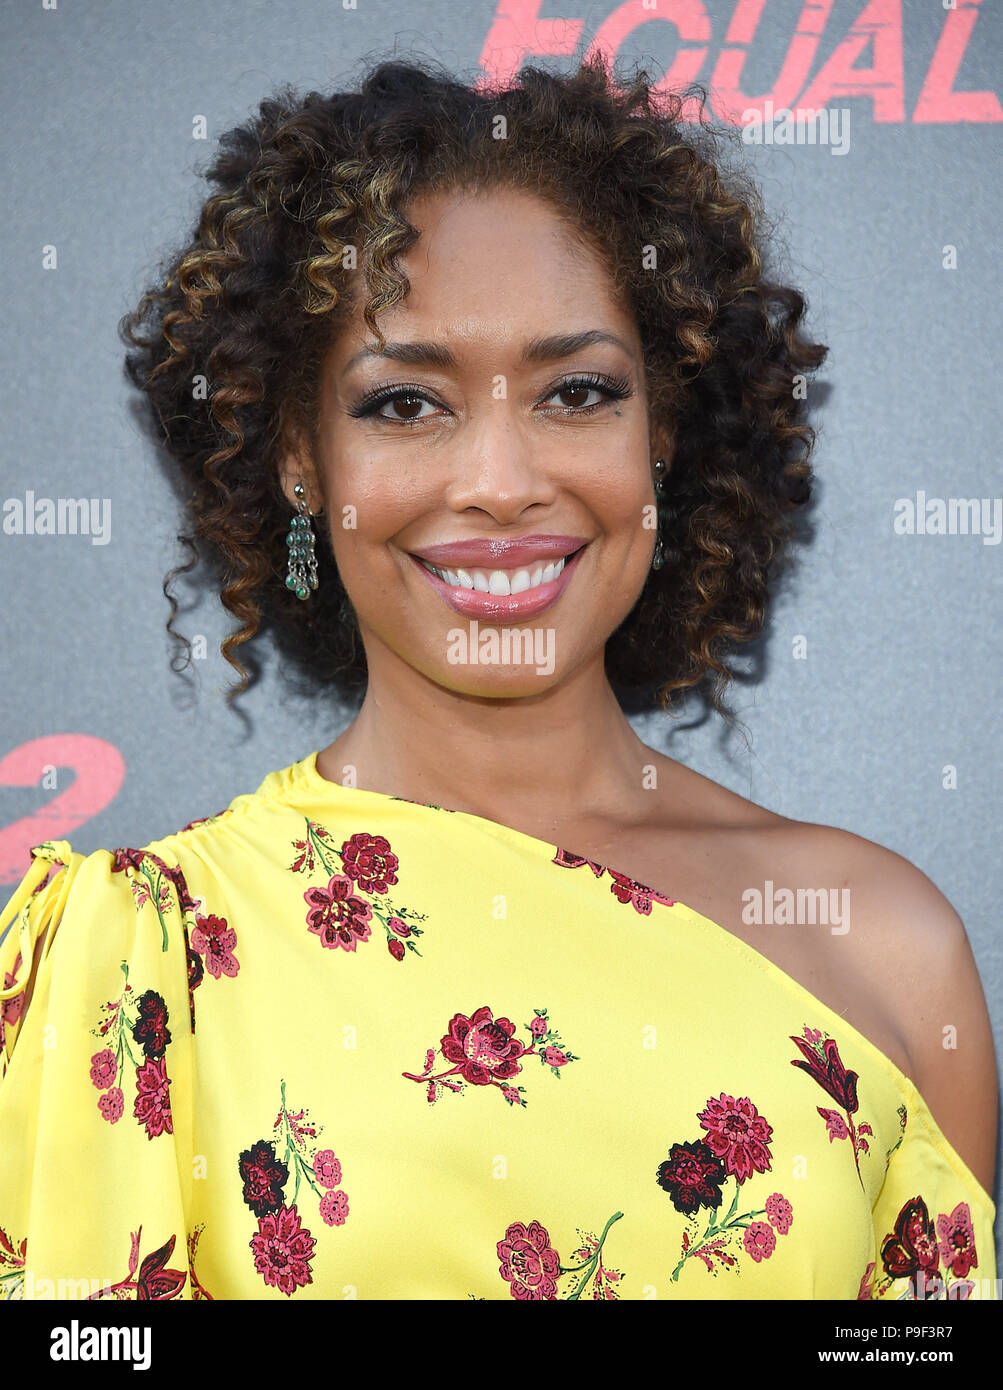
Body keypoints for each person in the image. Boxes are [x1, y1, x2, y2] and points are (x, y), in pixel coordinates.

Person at [0, 55, 996, 1303]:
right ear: (301, 459)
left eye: (577, 392)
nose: (501, 480)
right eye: (406, 403)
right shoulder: (142, 961)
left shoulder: (886, 947)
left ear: (663, 438)